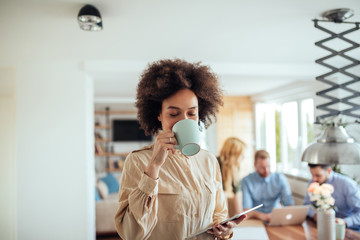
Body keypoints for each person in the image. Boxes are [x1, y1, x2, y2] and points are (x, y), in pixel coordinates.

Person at [114, 59, 246, 240]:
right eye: (174, 114)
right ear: (158, 115)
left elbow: (219, 214)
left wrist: (226, 230)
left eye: (192, 113)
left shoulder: (209, 161)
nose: (184, 120)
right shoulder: (138, 161)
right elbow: (131, 233)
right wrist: (154, 167)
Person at [304, 164, 360, 232]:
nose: (314, 179)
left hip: (348, 229)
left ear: (329, 171)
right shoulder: (313, 183)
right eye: (312, 175)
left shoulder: (347, 184)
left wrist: (345, 222)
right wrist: (314, 214)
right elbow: (306, 205)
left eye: (318, 175)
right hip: (323, 226)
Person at [241, 150, 294, 221]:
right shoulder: (246, 181)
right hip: (256, 220)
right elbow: (246, 210)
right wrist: (264, 216)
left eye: (268, 166)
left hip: (276, 218)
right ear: (255, 165)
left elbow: (289, 204)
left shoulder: (280, 178)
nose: (266, 170)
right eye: (262, 167)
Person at [217, 137, 246, 216]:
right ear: (233, 154)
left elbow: (237, 190)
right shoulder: (217, 164)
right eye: (241, 154)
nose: (244, 157)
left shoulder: (234, 166)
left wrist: (240, 215)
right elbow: (221, 193)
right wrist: (225, 218)